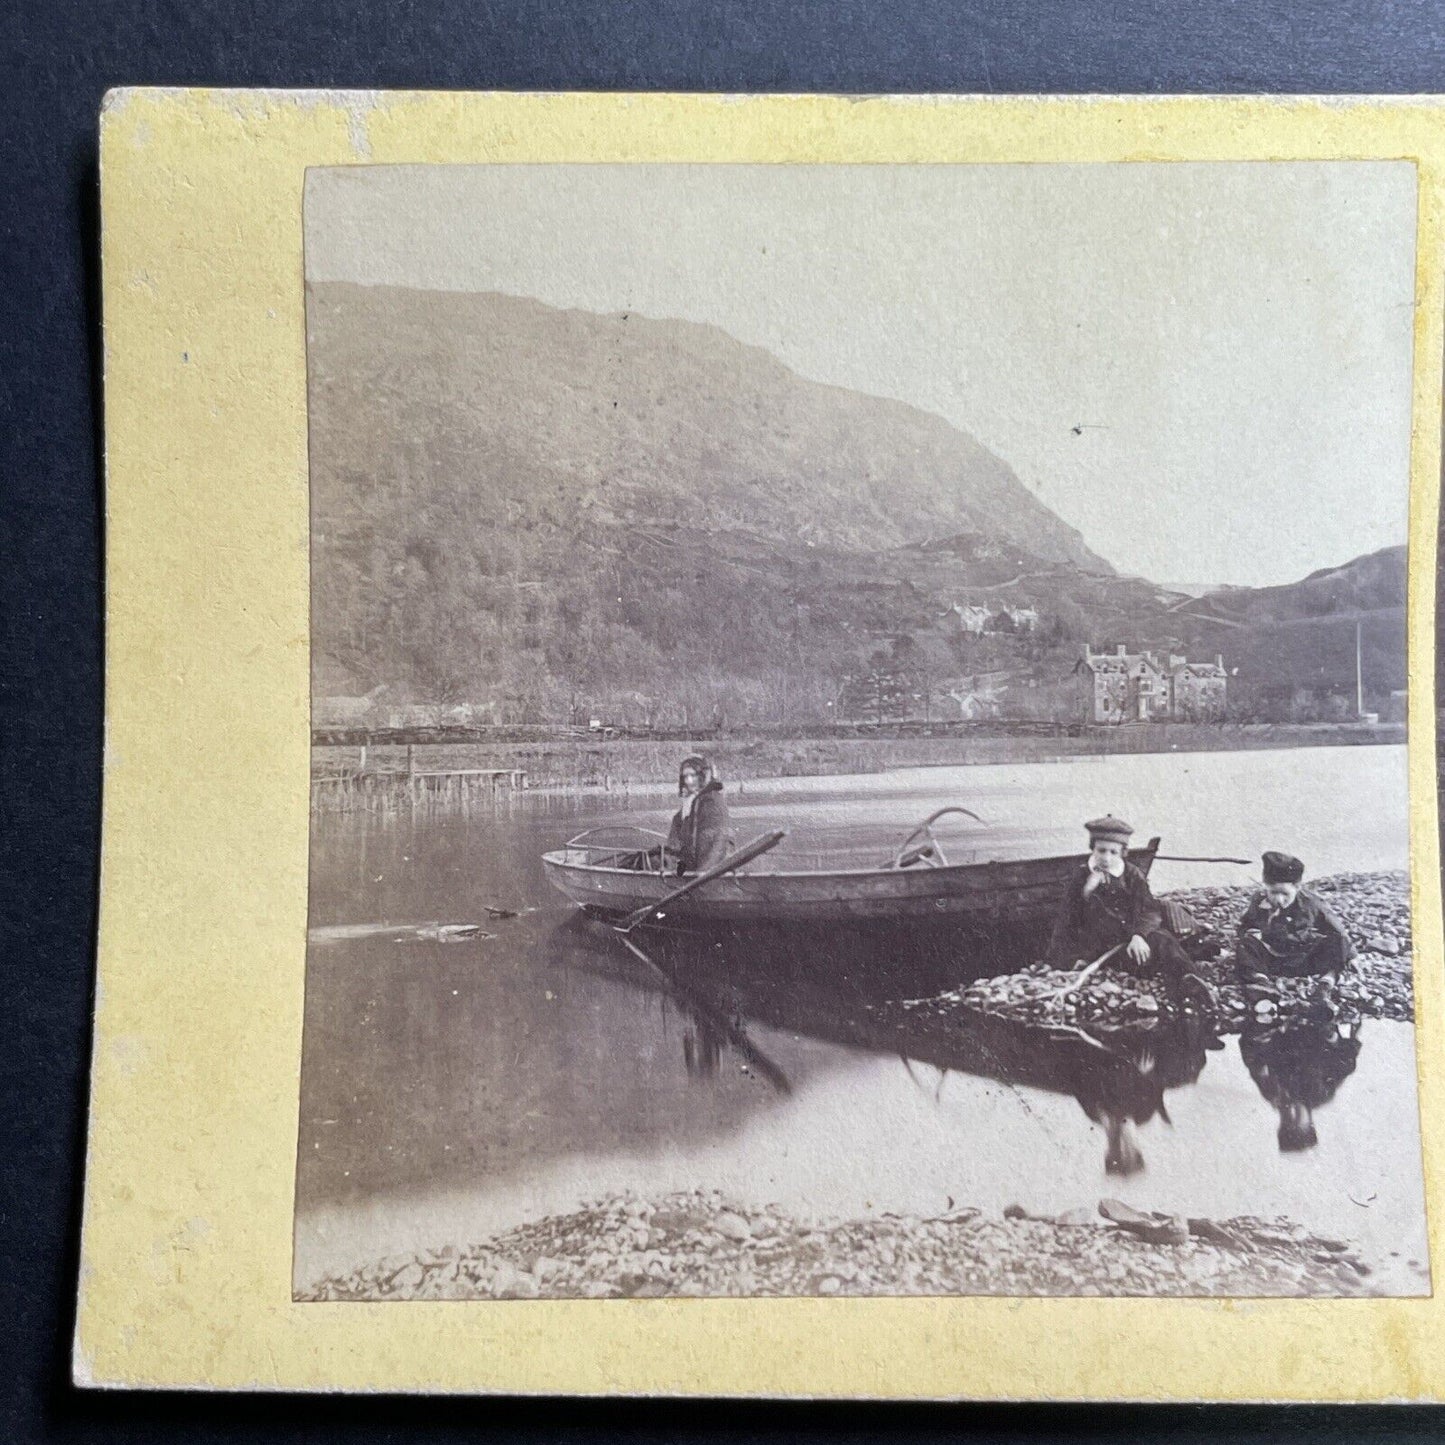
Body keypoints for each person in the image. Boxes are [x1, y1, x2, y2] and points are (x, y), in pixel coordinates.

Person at [1046, 815, 1214, 1012]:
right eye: (1101, 850)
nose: (1106, 858)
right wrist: (1061, 960)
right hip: (1100, 948)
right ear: (1093, 848)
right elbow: (1067, 919)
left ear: (1123, 853)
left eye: (1113, 852)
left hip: (1131, 942)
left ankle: (1190, 983)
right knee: (1154, 957)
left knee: (1163, 940)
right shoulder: (1081, 876)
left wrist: (1138, 935)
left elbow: (1149, 910)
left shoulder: (1132, 874)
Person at [1235, 851, 1355, 1010]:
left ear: (1297, 887)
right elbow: (1245, 926)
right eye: (1273, 892)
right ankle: (1261, 984)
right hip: (1272, 960)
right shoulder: (1259, 900)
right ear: (1266, 886)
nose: (1278, 899)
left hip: (1304, 959)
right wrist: (1252, 931)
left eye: (1285, 894)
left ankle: (1325, 986)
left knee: (1337, 942)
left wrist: (1350, 956)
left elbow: (1338, 931)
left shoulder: (1311, 903)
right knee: (1245, 944)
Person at [1240, 1011, 1364, 1152]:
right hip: (1317, 1022)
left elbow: (1251, 1056)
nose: (1293, 1116)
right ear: (1310, 1123)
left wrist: (1260, 1033)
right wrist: (1333, 1039)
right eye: (1298, 1123)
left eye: (1288, 1124)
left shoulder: (1273, 1092)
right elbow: (1345, 1064)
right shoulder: (1320, 1095)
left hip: (1280, 1020)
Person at [664, 754, 731, 875]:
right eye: (685, 776)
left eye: (692, 775)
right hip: (690, 866)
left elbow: (716, 840)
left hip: (711, 868)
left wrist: (703, 873)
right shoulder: (690, 802)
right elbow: (677, 837)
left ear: (701, 776)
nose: (688, 781)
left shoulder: (712, 801)